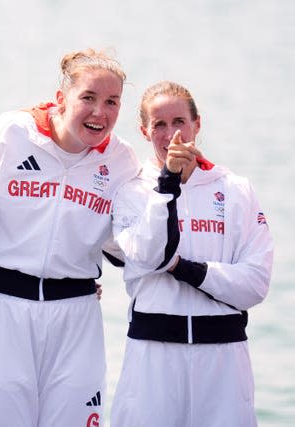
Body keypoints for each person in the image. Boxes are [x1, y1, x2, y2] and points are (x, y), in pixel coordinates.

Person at [0, 49, 192, 426]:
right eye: (88, 98)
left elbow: (132, 244)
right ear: (61, 98)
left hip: (76, 315)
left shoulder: (121, 160)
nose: (100, 112)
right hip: (1, 310)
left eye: (112, 102)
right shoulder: (11, 133)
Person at [110, 81, 273, 427]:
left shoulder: (235, 190)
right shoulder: (132, 190)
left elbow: (255, 285)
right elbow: (150, 256)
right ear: (144, 131)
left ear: (197, 124)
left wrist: (185, 268)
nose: (172, 135)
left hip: (223, 360)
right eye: (159, 125)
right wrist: (167, 184)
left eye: (180, 122)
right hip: (153, 357)